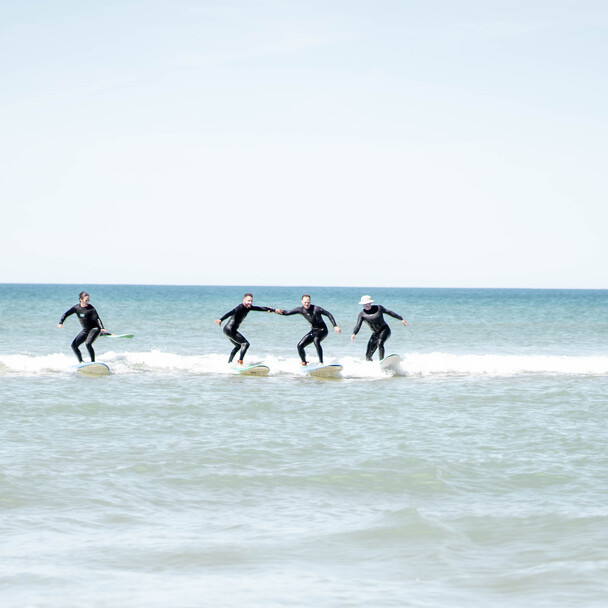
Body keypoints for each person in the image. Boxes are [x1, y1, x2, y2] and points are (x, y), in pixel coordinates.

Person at [277, 294, 341, 366]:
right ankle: (304, 362)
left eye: (308, 302)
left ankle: (321, 362)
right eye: (305, 302)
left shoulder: (317, 309)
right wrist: (277, 311)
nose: (307, 304)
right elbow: (287, 313)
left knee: (316, 340)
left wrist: (335, 326)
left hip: (323, 330)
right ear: (302, 302)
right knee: (299, 346)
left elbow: (328, 314)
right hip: (314, 331)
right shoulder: (300, 310)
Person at [215, 293, 277, 365]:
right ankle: (240, 362)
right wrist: (221, 319)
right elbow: (231, 312)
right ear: (243, 300)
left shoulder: (249, 307)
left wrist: (270, 309)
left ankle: (229, 363)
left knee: (238, 346)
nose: (250, 303)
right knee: (245, 344)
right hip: (230, 329)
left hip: (227, 330)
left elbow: (259, 308)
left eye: (251, 301)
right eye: (248, 301)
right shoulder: (240, 307)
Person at [351, 295, 407, 361]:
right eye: (364, 304)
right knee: (368, 355)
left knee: (380, 343)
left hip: (385, 330)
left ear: (370, 303)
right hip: (375, 334)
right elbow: (358, 325)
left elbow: (389, 312)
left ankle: (382, 361)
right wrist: (354, 334)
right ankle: (370, 366)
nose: (366, 305)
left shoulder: (378, 308)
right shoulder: (362, 314)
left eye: (368, 304)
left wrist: (401, 318)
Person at [57, 291, 109, 363]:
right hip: (86, 330)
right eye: (86, 300)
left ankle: (93, 362)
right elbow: (66, 314)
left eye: (88, 300)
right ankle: (81, 362)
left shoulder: (91, 308)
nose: (87, 302)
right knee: (74, 345)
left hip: (95, 328)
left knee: (88, 344)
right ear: (80, 299)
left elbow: (97, 318)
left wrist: (102, 327)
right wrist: (61, 322)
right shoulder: (76, 308)